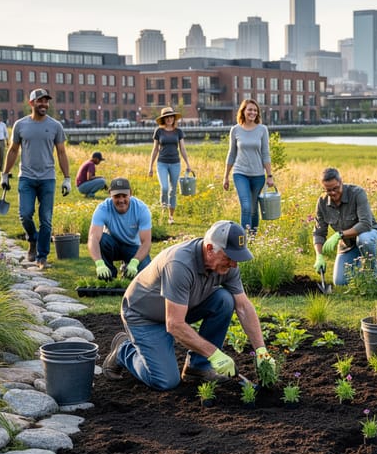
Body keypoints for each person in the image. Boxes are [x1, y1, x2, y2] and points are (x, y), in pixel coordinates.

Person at [102, 220, 276, 391]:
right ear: (210, 249)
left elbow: (243, 306)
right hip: (144, 316)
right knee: (166, 381)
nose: (234, 264)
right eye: (229, 257)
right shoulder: (179, 264)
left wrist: (261, 351)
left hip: (180, 308)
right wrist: (214, 354)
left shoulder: (227, 266)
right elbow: (175, 324)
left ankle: (198, 368)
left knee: (225, 300)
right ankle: (123, 350)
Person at [1, 88, 70, 270]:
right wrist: (5, 174)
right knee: (25, 215)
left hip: (48, 179)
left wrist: (67, 178)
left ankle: (42, 257)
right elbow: (13, 150)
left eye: (46, 101)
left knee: (46, 219)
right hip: (27, 178)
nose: (44, 104)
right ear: (31, 103)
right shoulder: (20, 125)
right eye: (40, 101)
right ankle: (32, 239)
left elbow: (61, 152)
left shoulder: (56, 126)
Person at [312, 167, 377, 286]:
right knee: (340, 282)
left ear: (341, 181)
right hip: (348, 244)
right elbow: (319, 233)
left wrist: (340, 234)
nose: (333, 193)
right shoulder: (322, 202)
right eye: (328, 190)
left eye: (335, 188)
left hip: (370, 234)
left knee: (364, 239)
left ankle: (371, 277)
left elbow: (365, 224)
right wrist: (319, 256)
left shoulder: (357, 193)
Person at [222, 98, 273, 235]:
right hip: (240, 173)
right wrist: (226, 176)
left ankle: (253, 237)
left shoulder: (262, 130)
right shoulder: (235, 130)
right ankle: (243, 240)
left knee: (253, 208)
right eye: (250, 109)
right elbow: (231, 154)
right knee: (245, 206)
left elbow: (265, 154)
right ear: (243, 111)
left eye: (255, 110)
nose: (253, 112)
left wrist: (269, 175)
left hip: (258, 175)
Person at [88, 177, 152, 281]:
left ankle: (128, 266)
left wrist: (135, 261)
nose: (121, 200)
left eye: (124, 196)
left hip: (133, 247)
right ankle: (108, 275)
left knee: (146, 277)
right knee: (102, 240)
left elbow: (146, 243)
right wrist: (99, 263)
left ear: (130, 193)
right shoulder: (103, 208)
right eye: (117, 196)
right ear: (110, 194)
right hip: (113, 245)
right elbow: (93, 238)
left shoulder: (141, 209)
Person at [148, 106, 192, 224]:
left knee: (173, 190)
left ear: (174, 118)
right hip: (161, 163)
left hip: (175, 164)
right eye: (167, 117)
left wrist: (188, 164)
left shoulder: (178, 132)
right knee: (165, 188)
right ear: (163, 119)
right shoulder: (159, 131)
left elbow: (182, 148)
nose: (169, 119)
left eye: (171, 117)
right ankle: (162, 212)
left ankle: (170, 217)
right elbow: (155, 149)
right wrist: (150, 167)